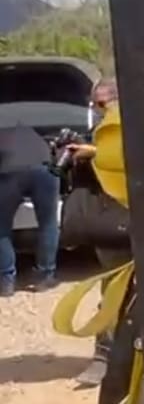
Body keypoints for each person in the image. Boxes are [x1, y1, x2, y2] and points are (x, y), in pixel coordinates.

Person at [67, 77, 132, 386]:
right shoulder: (104, 129)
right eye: (97, 104)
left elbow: (124, 157)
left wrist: (91, 152)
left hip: (140, 218)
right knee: (113, 289)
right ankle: (105, 357)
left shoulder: (127, 125)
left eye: (103, 103)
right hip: (114, 223)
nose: (101, 108)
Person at [0, 123, 61, 297]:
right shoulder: (35, 130)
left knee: (1, 228)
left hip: (10, 171)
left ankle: (6, 281)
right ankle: (46, 275)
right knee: (48, 224)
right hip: (45, 169)